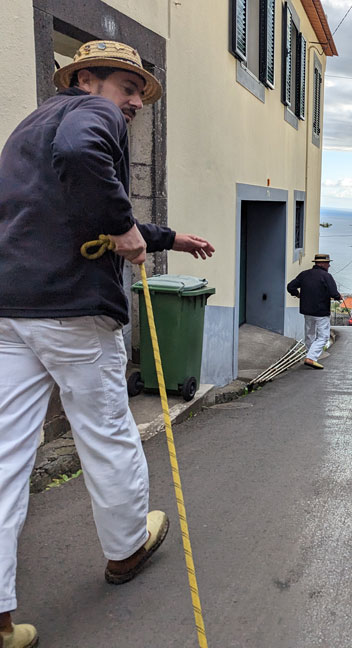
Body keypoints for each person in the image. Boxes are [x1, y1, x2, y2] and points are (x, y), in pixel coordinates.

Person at [0, 40, 215, 647]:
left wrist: (166, 236)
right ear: (87, 79)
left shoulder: (28, 128)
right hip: (72, 310)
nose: (135, 104)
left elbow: (80, 209)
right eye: (128, 89)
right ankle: (125, 550)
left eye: (141, 94)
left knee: (6, 454)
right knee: (107, 430)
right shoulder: (89, 116)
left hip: (10, 310)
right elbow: (91, 174)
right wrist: (124, 229)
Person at [287, 253, 342, 369]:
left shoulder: (304, 274)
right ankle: (311, 358)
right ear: (322, 263)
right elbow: (333, 293)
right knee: (323, 337)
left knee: (310, 335)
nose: (329, 266)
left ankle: (310, 356)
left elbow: (290, 286)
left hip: (307, 311)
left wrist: (297, 294)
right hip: (321, 312)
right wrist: (338, 297)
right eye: (328, 263)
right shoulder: (326, 276)